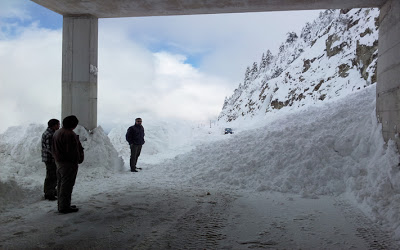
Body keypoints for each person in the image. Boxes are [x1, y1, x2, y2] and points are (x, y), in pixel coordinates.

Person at [52, 115, 84, 214]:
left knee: (61, 184)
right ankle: (64, 207)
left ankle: (62, 204)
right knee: (67, 185)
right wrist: (78, 159)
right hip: (68, 163)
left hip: (59, 162)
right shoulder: (69, 134)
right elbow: (72, 151)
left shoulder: (57, 132)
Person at [41, 119, 60, 201]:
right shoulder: (50, 134)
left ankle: (51, 190)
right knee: (51, 176)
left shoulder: (48, 132)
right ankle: (49, 193)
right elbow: (50, 148)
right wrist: (57, 155)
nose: (59, 126)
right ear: (54, 125)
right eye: (58, 125)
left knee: (52, 175)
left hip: (49, 158)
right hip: (50, 159)